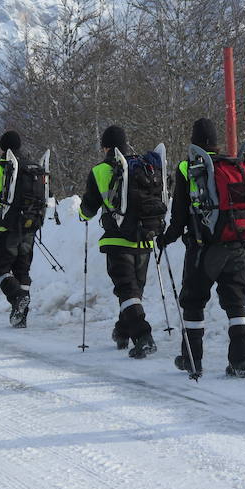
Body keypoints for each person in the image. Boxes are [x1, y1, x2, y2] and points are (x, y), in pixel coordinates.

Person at [160, 118, 245, 378]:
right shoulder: (234, 164)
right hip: (238, 245)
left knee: (193, 301)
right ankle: (240, 361)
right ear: (216, 141)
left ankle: (192, 359)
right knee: (236, 303)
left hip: (204, 248)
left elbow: (179, 214)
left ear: (194, 141)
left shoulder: (188, 167)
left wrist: (167, 237)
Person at [78, 125, 157, 359]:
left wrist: (81, 214)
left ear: (105, 147)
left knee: (127, 291)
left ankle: (143, 336)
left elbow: (88, 209)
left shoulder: (100, 170)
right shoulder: (144, 167)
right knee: (133, 292)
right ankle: (122, 332)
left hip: (118, 240)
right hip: (144, 241)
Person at [0, 129, 35, 328]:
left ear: (2, 148)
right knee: (22, 271)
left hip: (5, 229)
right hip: (29, 228)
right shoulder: (33, 168)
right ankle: (21, 317)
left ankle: (17, 296)